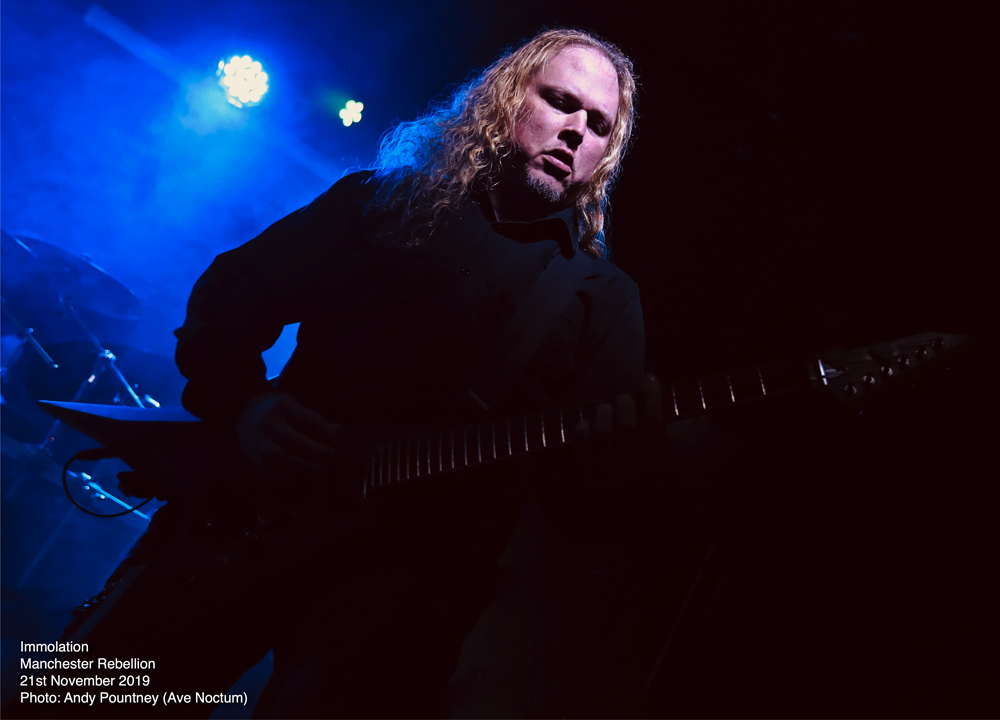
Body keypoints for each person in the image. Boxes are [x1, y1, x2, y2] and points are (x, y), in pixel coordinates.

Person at [58, 28, 661, 719]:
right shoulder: (382, 203)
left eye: (599, 125)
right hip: (252, 513)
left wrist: (620, 455)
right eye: (560, 101)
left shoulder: (601, 300)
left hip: (406, 589)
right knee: (88, 696)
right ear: (505, 100)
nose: (577, 130)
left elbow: (588, 509)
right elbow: (228, 299)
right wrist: (247, 405)